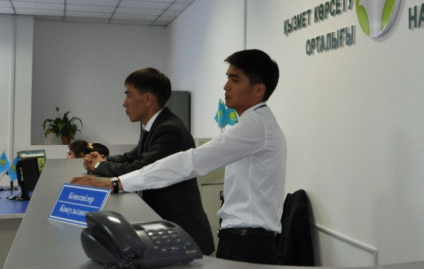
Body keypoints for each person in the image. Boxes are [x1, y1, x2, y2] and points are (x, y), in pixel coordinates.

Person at [72, 50, 287, 264]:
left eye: (235, 79)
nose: (226, 86)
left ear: (258, 90)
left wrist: (117, 183)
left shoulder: (255, 126)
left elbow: (190, 162)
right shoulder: (255, 124)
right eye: (227, 78)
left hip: (249, 244)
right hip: (242, 239)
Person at [78, 67, 215, 255]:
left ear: (148, 99)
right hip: (169, 230)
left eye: (129, 95)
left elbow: (140, 167)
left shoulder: (170, 130)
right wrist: (104, 159)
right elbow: (133, 156)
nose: (124, 103)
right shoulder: (155, 126)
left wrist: (100, 166)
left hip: (184, 234)